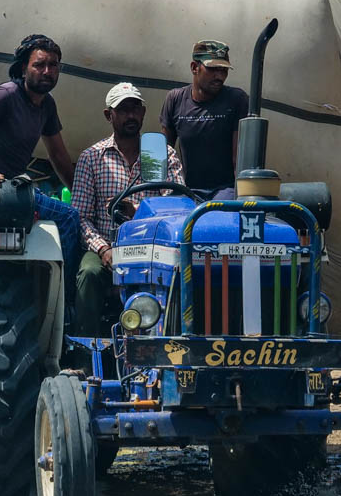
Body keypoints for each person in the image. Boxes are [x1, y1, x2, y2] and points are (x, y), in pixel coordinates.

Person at [0, 32, 81, 261]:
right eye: (39, 65)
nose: (47, 71)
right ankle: (70, 297)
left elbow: (59, 155)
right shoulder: (6, 95)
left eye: (53, 65)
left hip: (17, 190)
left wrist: (82, 194)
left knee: (73, 214)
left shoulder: (47, 105)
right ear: (23, 68)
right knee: (69, 218)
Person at [70, 83, 185, 334]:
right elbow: (81, 218)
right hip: (108, 244)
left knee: (186, 270)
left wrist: (138, 212)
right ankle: (88, 351)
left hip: (152, 247)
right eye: (123, 110)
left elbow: (177, 210)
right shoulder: (92, 157)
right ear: (108, 115)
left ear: (143, 113)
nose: (130, 115)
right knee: (89, 273)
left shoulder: (162, 155)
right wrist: (103, 250)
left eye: (135, 109)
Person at [161, 39, 249, 194]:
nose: (220, 76)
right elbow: (164, 155)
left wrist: (241, 200)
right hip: (186, 191)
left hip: (225, 191)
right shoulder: (175, 99)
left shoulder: (237, 99)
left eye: (224, 70)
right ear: (194, 67)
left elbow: (240, 162)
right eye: (213, 69)